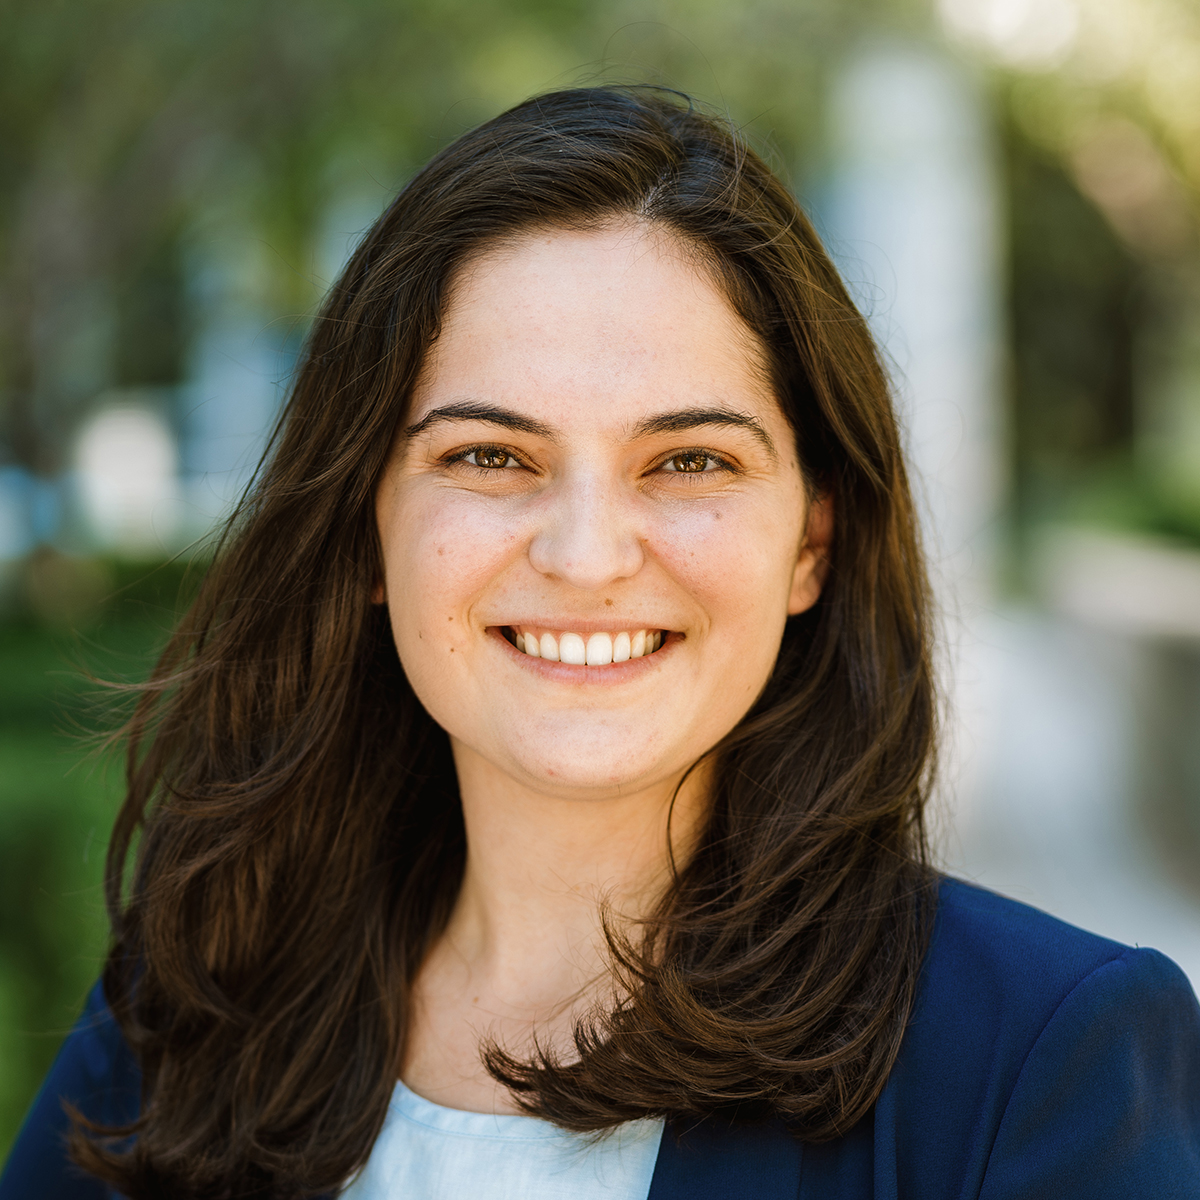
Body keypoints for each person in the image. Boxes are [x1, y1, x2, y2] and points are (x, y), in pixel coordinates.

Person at [3, 86, 1199, 1200]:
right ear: (366, 530)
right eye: (488, 457)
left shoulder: (1044, 1062)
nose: (586, 556)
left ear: (811, 544)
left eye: (689, 462)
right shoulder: (193, 1006)